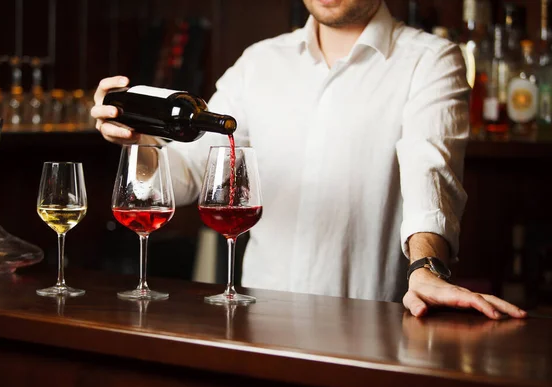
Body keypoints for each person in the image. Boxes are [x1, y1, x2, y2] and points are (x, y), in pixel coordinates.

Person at [91, 0, 527, 319]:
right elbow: (187, 175)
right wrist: (140, 142)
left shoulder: (431, 61)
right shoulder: (259, 62)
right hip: (259, 325)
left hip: (371, 330)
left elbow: (431, 172)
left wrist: (426, 268)